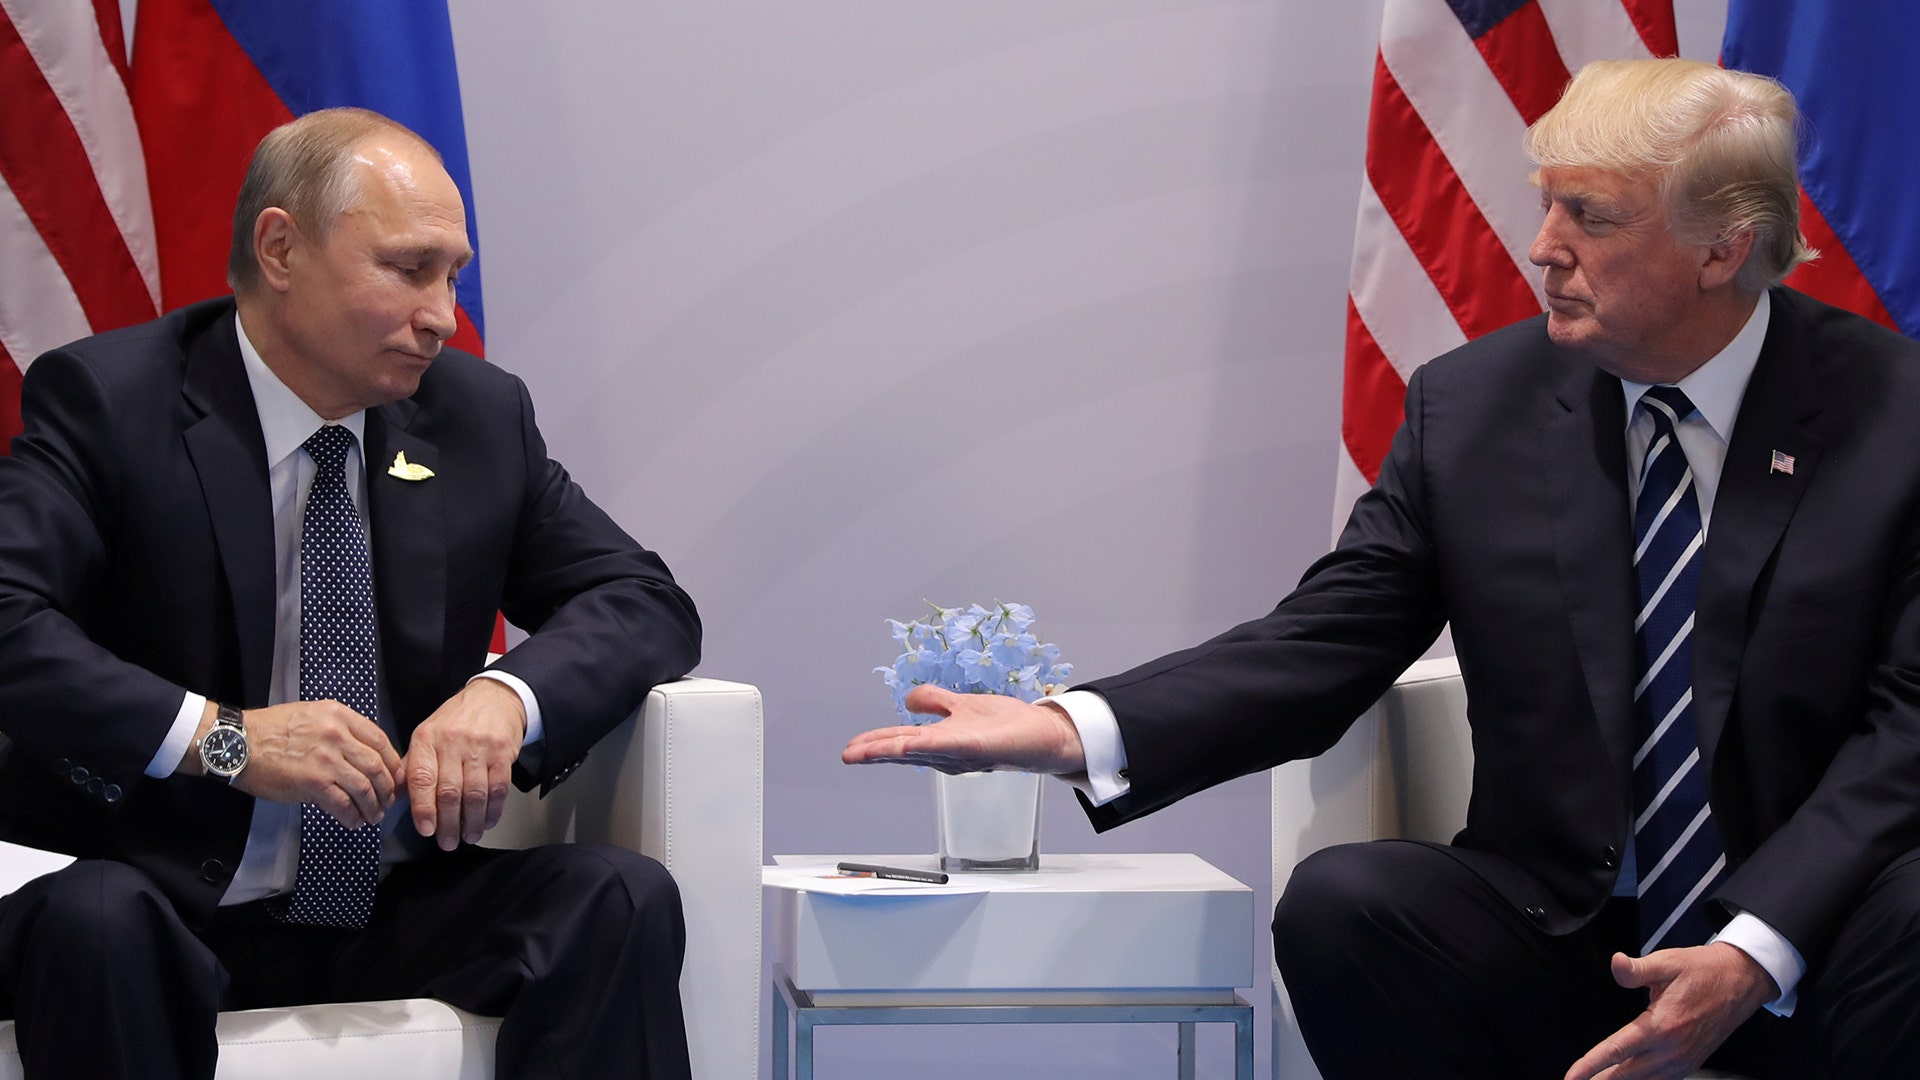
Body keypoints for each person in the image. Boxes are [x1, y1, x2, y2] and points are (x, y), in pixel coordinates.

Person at [844, 58, 1920, 1079]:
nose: (1543, 247)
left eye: (1591, 217)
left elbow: (1909, 724)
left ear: (1722, 251)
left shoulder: (1896, 417)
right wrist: (1072, 729)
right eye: (1547, 204)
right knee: (1347, 903)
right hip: (1559, 929)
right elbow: (1331, 637)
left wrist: (1755, 946)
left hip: (1814, 945)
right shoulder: (1476, 408)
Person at [0, 108, 702, 1079]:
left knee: (616, 898)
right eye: (409, 269)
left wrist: (507, 697)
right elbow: (9, 619)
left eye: (452, 276)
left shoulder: (475, 416)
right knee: (96, 919)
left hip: (387, 900)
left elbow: (643, 599)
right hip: (159, 892)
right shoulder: (115, 402)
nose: (441, 315)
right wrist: (230, 740)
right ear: (281, 249)